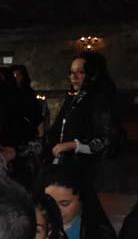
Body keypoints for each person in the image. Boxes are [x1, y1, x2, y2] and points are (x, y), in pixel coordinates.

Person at [46, 51, 123, 191]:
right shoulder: (73, 98)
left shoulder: (102, 99)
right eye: (71, 72)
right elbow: (58, 130)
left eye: (80, 72)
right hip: (68, 164)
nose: (73, 77)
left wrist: (75, 145)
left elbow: (109, 140)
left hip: (92, 169)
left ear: (93, 74)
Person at [41, 164, 117, 239]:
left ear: (81, 200)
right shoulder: (35, 228)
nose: (55, 210)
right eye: (49, 202)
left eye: (64, 204)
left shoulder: (97, 233)